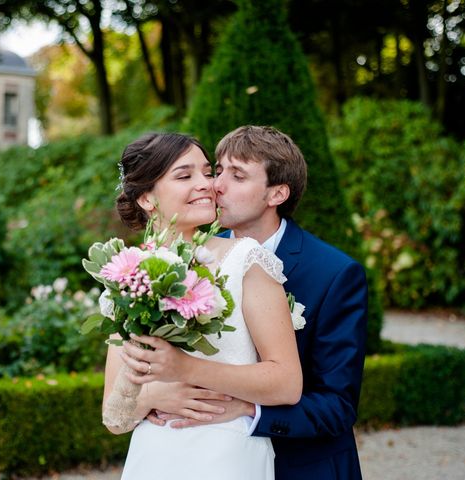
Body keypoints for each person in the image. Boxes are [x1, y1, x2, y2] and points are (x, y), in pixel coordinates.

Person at [139, 126, 369, 480]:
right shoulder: (191, 257)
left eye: (238, 175)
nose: (216, 184)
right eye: (218, 170)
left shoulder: (335, 274)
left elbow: (338, 406)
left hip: (302, 466)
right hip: (207, 459)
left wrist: (249, 409)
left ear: (276, 193)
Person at [104, 132, 303, 480]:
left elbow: (287, 383)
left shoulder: (246, 259)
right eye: (185, 176)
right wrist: (153, 394)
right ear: (148, 198)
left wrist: (185, 369)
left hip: (227, 455)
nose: (208, 184)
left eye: (207, 172)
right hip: (153, 457)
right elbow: (114, 418)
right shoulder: (127, 280)